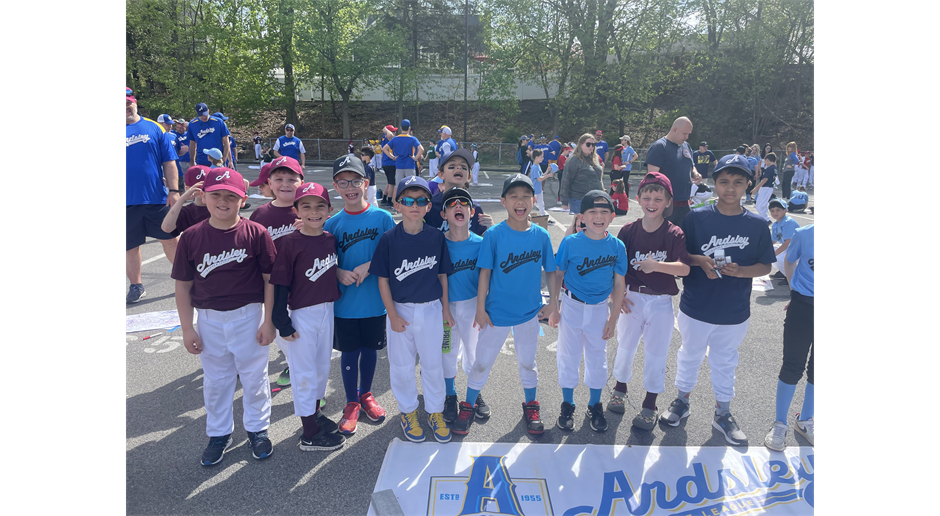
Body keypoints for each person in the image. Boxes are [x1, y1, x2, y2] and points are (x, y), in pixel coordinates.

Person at [659, 154, 774, 446]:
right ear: (715, 184)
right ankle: (681, 401)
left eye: (738, 182)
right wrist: (700, 261)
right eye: (724, 181)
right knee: (689, 354)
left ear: (749, 185)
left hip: (734, 309)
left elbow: (765, 266)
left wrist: (741, 271)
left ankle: (723, 412)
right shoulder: (697, 217)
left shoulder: (758, 224)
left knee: (725, 361)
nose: (730, 188)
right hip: (696, 305)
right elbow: (681, 256)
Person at [171, 167, 277, 466]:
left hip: (248, 315)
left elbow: (270, 279)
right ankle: (219, 432)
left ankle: (257, 428)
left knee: (255, 376)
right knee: (217, 380)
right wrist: (186, 329)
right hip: (209, 319)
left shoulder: (255, 232)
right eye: (216, 195)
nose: (223, 201)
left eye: (231, 196)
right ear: (203, 197)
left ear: (243, 199)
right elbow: (183, 285)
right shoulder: (191, 236)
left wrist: (268, 320)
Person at [454, 174, 560, 435]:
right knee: (481, 363)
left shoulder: (541, 235)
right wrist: (480, 308)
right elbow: (485, 273)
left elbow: (551, 270)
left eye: (526, 196)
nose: (520, 201)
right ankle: (468, 404)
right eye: (514, 196)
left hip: (528, 313)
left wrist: (554, 304)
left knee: (527, 362)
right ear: (503, 201)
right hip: (496, 313)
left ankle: (531, 404)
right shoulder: (494, 235)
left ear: (534, 200)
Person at [370, 176, 455, 443]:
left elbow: (442, 275)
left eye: (421, 200)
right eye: (408, 200)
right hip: (401, 309)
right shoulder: (389, 239)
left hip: (430, 308)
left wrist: (446, 309)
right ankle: (408, 410)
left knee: (433, 364)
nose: (414, 205)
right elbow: (382, 280)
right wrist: (392, 315)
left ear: (429, 206)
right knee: (402, 366)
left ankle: (435, 411)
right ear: (398, 205)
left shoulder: (435, 237)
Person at [608, 172, 690, 431]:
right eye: (647, 197)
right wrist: (615, 296)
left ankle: (650, 402)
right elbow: (616, 268)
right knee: (626, 345)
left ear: (668, 202)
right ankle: (619, 388)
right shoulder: (628, 230)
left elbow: (684, 268)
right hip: (631, 297)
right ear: (638, 199)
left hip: (660, 301)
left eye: (658, 197)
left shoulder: (674, 232)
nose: (652, 202)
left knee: (657, 352)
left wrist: (656, 265)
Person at [269, 181, 346, 452]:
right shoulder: (290, 243)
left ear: (329, 209)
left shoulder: (329, 239)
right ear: (296, 211)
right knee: (303, 373)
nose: (314, 212)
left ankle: (314, 414)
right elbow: (281, 283)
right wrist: (281, 320)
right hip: (301, 314)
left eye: (320, 206)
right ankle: (309, 433)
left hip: (327, 310)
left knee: (322, 369)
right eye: (306, 207)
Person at [323, 155, 396, 435]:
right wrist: (338, 272)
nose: (350, 187)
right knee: (349, 353)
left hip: (376, 302)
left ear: (366, 183)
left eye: (356, 181)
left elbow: (393, 254)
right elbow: (322, 261)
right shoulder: (332, 224)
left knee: (370, 352)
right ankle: (351, 402)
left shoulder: (382, 217)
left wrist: (371, 264)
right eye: (344, 182)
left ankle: (366, 394)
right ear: (336, 186)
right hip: (346, 305)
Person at [549, 191, 627, 432]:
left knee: (597, 357)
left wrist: (613, 319)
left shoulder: (616, 245)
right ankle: (568, 403)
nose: (598, 216)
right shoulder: (571, 242)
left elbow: (619, 283)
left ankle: (595, 404)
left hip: (598, 308)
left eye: (604, 211)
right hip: (572, 305)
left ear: (613, 216)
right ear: (581, 217)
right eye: (592, 212)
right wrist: (554, 306)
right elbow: (558, 274)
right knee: (568, 356)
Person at [250, 156, 305, 387]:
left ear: (301, 182)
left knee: (301, 333)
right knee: (279, 326)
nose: (285, 184)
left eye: (292, 179)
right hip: (272, 285)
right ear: (269, 183)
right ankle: (292, 364)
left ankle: (300, 370)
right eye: (279, 178)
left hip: (304, 285)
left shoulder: (309, 210)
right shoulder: (260, 215)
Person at [125, 87, 180, 303]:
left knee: (170, 240)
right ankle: (136, 286)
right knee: (129, 248)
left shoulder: (154, 128)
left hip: (156, 198)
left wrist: (174, 191)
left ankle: (185, 279)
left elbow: (169, 161)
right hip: (127, 203)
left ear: (135, 102)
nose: (126, 107)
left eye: (128, 102)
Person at [763, 223, 815, 451]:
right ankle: (780, 423)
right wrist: (795, 291)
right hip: (803, 306)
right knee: (792, 366)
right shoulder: (804, 234)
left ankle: (805, 421)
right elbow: (790, 260)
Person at [437, 187, 485, 426]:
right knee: (447, 351)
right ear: (444, 214)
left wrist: (483, 307)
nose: (458, 206)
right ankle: (450, 393)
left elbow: (488, 279)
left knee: (474, 352)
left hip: (472, 305)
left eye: (464, 203)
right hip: (445, 307)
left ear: (472, 212)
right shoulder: (438, 243)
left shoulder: (481, 243)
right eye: (452, 203)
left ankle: (475, 393)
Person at [424, 149, 493, 235]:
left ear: (469, 176)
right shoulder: (430, 206)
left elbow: (480, 240)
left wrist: (491, 229)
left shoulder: (474, 207)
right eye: (452, 166)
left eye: (464, 167)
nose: (459, 167)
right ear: (441, 174)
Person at [645, 117, 695, 225]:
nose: (687, 137)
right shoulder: (659, 147)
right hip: (667, 205)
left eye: (688, 134)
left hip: (684, 202)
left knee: (684, 238)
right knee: (664, 238)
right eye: (684, 134)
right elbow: (652, 179)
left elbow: (691, 165)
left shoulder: (686, 146)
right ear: (675, 130)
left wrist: (695, 173)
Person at [560, 133, 604, 214]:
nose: (591, 147)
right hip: (579, 199)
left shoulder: (594, 158)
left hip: (595, 198)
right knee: (582, 224)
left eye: (593, 144)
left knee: (591, 224)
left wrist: (603, 193)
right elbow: (566, 180)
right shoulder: (574, 160)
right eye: (588, 144)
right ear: (581, 144)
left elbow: (599, 179)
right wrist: (564, 201)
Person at [161, 165, 211, 235]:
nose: (204, 191)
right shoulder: (187, 211)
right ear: (188, 189)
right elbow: (167, 228)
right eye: (200, 188)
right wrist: (182, 199)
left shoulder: (219, 207)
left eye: (209, 187)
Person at [187, 103, 232, 168]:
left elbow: (226, 141)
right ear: (196, 112)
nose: (204, 117)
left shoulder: (218, 122)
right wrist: (192, 161)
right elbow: (192, 144)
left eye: (205, 114)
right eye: (201, 115)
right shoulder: (192, 124)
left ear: (208, 111)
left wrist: (225, 157)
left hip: (217, 160)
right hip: (201, 160)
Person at [384, 119, 424, 184]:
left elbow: (384, 149)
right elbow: (421, 149)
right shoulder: (412, 138)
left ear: (400, 128)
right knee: (411, 185)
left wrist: (393, 157)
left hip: (399, 164)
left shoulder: (395, 138)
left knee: (398, 186)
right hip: (410, 164)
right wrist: (415, 158)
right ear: (409, 128)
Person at [769, 199, 799, 277]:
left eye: (778, 210)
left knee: (776, 257)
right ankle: (784, 271)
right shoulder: (775, 224)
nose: (775, 213)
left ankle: (791, 276)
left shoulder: (788, 222)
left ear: (785, 210)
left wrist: (773, 254)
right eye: (772, 211)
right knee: (770, 250)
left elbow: (788, 242)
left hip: (800, 249)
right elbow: (773, 241)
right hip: (791, 247)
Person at [754, 153, 777, 221]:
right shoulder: (774, 168)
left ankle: (766, 219)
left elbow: (765, 179)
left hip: (766, 188)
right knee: (763, 205)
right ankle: (763, 219)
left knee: (759, 206)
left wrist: (756, 188)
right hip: (769, 188)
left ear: (767, 160)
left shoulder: (769, 169)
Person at [380, 125, 397, 206]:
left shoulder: (384, 138)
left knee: (389, 182)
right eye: (393, 131)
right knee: (392, 183)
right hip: (391, 163)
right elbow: (390, 135)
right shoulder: (387, 138)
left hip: (386, 163)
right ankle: (389, 200)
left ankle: (384, 198)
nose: (395, 133)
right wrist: (385, 129)